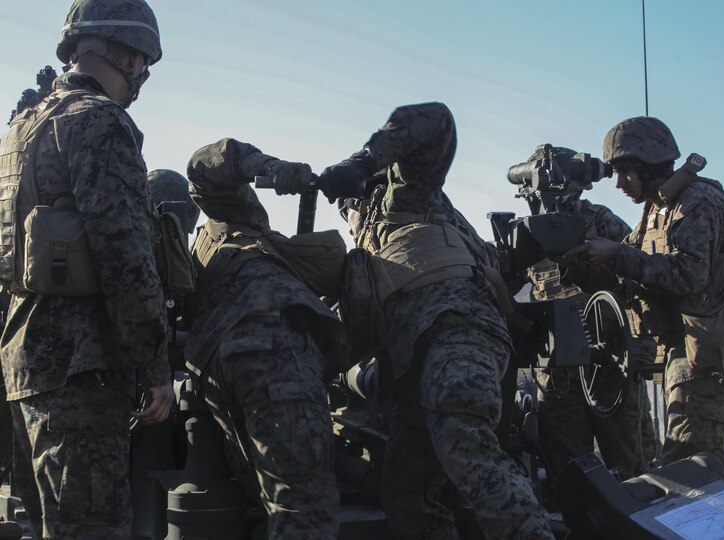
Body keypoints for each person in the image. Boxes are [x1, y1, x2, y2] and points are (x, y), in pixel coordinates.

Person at [316, 102, 553, 539]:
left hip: (456, 337)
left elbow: (435, 120)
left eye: (346, 208)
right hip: (416, 361)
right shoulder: (382, 240)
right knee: (409, 493)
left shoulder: (404, 198)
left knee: (467, 448)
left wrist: (363, 161)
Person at [0, 1, 173, 538]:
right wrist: (154, 366)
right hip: (83, 366)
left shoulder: (20, 130)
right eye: (141, 63)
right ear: (123, 52)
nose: (141, 77)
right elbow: (124, 254)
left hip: (23, 362)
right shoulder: (100, 122)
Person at [563, 116, 724, 484]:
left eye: (624, 171)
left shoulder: (696, 201)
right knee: (700, 468)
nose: (619, 183)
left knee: (694, 470)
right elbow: (630, 271)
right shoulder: (657, 210)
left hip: (709, 358)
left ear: (648, 163)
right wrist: (580, 263)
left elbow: (690, 275)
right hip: (687, 352)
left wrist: (616, 254)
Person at [183, 138, 348, 539]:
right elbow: (203, 167)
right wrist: (269, 167)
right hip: (274, 352)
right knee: (302, 506)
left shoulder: (199, 255)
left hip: (216, 366)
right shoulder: (228, 224)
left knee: (266, 501)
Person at [524, 147, 656, 484]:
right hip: (558, 376)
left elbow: (642, 273)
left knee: (630, 469)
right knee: (568, 474)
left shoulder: (603, 222)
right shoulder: (527, 232)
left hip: (609, 366)